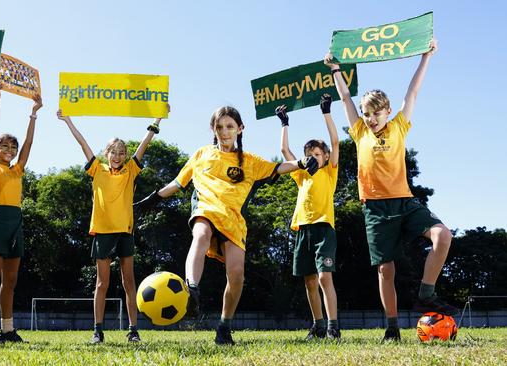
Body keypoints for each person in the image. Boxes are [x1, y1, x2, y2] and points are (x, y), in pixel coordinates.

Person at [135, 105, 318, 345]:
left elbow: (278, 168)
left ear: (240, 129)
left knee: (237, 275)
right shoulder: (201, 154)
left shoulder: (250, 161)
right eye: (219, 127)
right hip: (206, 210)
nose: (224, 131)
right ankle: (192, 290)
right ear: (213, 129)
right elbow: (177, 183)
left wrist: (302, 163)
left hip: (233, 220)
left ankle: (224, 326)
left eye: (230, 126)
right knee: (200, 233)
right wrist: (153, 199)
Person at [325, 39, 456, 342]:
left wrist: (426, 56)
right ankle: (392, 328)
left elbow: (413, 91)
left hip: (405, 202)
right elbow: (345, 98)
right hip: (375, 207)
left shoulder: (399, 125)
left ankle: (426, 293)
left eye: (375, 113)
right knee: (386, 270)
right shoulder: (359, 131)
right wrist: (335, 70)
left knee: (443, 235)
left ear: (386, 111)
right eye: (366, 114)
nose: (371, 119)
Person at [57, 107, 167, 344]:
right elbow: (82, 143)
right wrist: (68, 121)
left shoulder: (131, 170)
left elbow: (145, 144)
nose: (117, 156)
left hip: (125, 231)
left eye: (121, 153)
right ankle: (98, 330)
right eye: (113, 152)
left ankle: (133, 330)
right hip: (103, 232)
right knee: (102, 283)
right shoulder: (97, 168)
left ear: (125, 155)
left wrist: (157, 118)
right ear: (106, 153)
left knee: (129, 283)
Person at [0, 86, 42, 344]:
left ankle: (7, 329)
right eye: (4, 145)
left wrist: (33, 114)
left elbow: (29, 144)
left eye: (12, 146)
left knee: (10, 281)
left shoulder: (17, 171)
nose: (10, 149)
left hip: (16, 223)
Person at [276, 94, 341, 340]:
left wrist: (326, 112)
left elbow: (336, 142)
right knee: (310, 281)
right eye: (310, 153)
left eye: (317, 153)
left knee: (325, 277)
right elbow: (284, 150)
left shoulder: (329, 173)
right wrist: (284, 122)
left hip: (324, 228)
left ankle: (333, 326)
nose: (314, 156)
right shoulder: (302, 175)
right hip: (303, 229)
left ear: (324, 157)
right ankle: (318, 325)